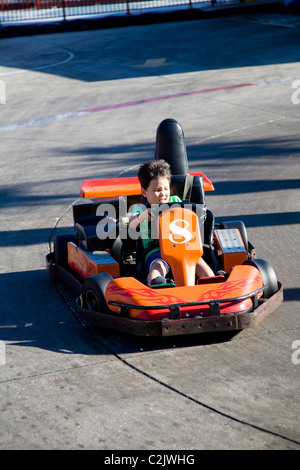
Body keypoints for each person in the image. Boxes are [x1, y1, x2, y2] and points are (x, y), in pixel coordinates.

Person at [129, 159, 214, 286]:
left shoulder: (176, 201)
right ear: (144, 192)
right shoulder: (140, 209)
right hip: (156, 251)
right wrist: (142, 217)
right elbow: (131, 225)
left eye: (165, 188)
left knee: (198, 262)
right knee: (157, 266)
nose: (163, 194)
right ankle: (156, 284)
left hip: (184, 246)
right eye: (157, 190)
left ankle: (212, 284)